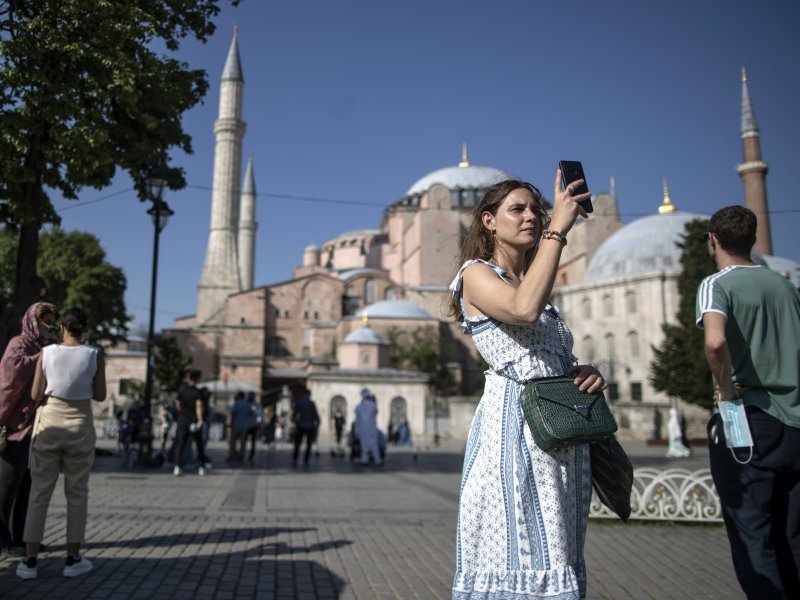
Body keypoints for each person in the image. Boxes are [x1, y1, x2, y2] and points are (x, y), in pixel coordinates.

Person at [447, 174, 606, 599]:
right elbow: (522, 310)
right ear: (489, 221)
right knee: (520, 550)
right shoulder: (475, 275)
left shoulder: (540, 290)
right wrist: (559, 231)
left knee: (557, 548)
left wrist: (581, 373)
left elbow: (544, 343)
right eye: (517, 209)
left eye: (536, 209)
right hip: (516, 433)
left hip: (561, 439)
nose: (531, 217)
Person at [696, 205, 800, 599]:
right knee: (792, 536)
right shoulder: (784, 285)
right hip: (794, 423)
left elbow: (715, 340)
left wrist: (724, 388)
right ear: (753, 239)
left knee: (753, 538)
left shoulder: (717, 284)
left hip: (749, 422)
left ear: (713, 240)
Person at [18, 307, 106, 580]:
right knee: (77, 492)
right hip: (79, 421)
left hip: (50, 420)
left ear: (62, 328)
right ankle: (73, 558)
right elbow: (101, 395)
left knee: (39, 492)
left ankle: (30, 560)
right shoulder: (95, 354)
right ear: (84, 328)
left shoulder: (47, 352)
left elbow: (35, 394)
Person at [0, 302, 58, 558]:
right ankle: (3, 539)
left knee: (28, 486)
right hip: (14, 427)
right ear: (33, 320)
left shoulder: (42, 348)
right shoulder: (19, 344)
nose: (48, 328)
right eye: (45, 322)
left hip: (37, 428)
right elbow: (9, 381)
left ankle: (23, 539)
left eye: (51, 323)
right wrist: (41, 358)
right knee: (8, 484)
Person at [173, 370, 206, 476]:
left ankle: (177, 466)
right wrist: (200, 420)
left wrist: (183, 413)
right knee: (198, 444)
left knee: (180, 444)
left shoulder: (181, 390)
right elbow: (198, 407)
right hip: (193, 421)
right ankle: (201, 467)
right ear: (197, 379)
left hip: (183, 420)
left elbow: (178, 405)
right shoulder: (197, 392)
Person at [291, 386, 319, 468]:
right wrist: (316, 426)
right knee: (308, 444)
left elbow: (294, 415)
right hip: (310, 426)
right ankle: (306, 460)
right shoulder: (311, 404)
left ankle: (295, 459)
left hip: (301, 426)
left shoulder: (299, 403)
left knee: (297, 444)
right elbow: (316, 416)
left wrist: (296, 423)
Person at [354, 388, 381, 466]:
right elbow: (376, 411)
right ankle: (377, 460)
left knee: (364, 445)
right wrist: (374, 401)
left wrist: (356, 431)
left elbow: (357, 420)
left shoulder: (358, 407)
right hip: (372, 428)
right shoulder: (373, 406)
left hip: (362, 429)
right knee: (374, 445)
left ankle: (364, 460)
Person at [228, 392, 251, 464]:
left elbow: (232, 412)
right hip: (244, 426)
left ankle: (232, 455)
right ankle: (242, 456)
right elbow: (250, 413)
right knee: (243, 442)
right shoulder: (247, 404)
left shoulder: (236, 403)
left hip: (236, 425)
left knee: (233, 442)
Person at [245, 391, 260, 463]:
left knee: (252, 442)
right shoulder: (253, 404)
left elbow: (259, 415)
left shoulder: (254, 404)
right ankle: (247, 455)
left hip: (251, 425)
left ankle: (251, 455)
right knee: (246, 441)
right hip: (250, 425)